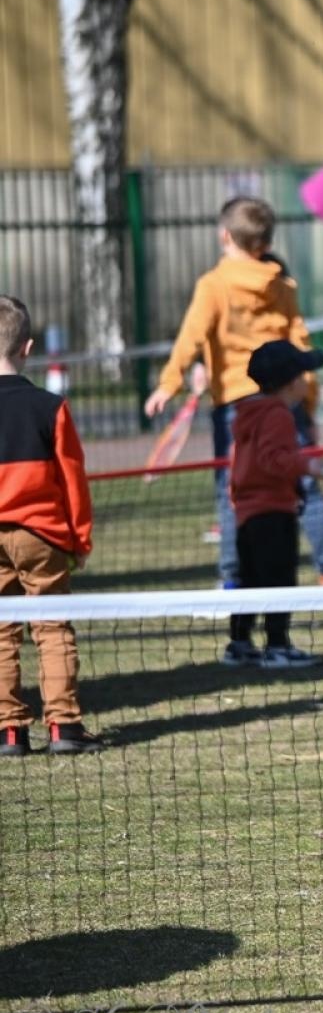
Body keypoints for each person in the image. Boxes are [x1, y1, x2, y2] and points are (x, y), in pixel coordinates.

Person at [143, 197, 323, 589]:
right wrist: (308, 404)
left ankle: (233, 581)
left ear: (224, 236)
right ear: (266, 242)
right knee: (305, 483)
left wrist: (170, 381)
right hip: (287, 400)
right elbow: (300, 345)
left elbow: (191, 336)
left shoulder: (213, 284)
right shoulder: (282, 286)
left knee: (232, 491)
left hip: (237, 404)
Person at [0, 295, 101, 756]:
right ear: (28, 348)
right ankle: (63, 725)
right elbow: (72, 480)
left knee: (1, 631)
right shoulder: (51, 407)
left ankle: (9, 731)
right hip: (41, 534)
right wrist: (79, 538)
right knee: (53, 626)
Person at [223, 340, 323, 668]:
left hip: (249, 510)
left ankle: (239, 642)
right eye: (303, 375)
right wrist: (308, 466)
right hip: (270, 510)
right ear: (290, 382)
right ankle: (277, 646)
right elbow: (274, 460)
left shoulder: (249, 412)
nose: (307, 381)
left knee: (251, 580)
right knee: (279, 581)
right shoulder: (276, 414)